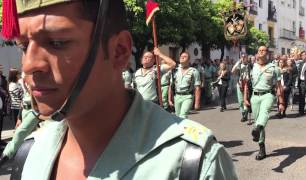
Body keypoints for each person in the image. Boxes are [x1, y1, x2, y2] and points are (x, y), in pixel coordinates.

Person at [5, 0, 237, 179]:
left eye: (57, 43)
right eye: (24, 46)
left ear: (119, 51)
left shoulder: (191, 162)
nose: (29, 64)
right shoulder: (30, 154)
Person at [244, 46, 285, 160]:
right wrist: (245, 98)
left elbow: (278, 86)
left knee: (264, 113)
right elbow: (247, 84)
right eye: (259, 50)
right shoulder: (251, 66)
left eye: (264, 50)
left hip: (268, 95)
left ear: (268, 53)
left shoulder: (274, 68)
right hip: (255, 96)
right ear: (257, 53)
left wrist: (281, 102)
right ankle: (262, 148)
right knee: (258, 123)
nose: (261, 52)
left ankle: (257, 129)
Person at [169, 52, 202, 118]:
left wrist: (197, 102)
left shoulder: (194, 71)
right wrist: (169, 99)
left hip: (188, 96)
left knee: (183, 116)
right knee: (177, 117)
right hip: (177, 96)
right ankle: (183, 128)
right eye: (181, 56)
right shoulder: (175, 71)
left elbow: (197, 88)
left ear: (189, 59)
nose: (182, 57)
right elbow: (171, 85)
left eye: (185, 56)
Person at [231, 53, 251, 122]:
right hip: (240, 83)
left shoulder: (250, 65)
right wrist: (238, 62)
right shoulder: (239, 65)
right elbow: (232, 71)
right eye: (242, 57)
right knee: (240, 101)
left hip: (247, 84)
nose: (243, 58)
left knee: (246, 99)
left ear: (247, 58)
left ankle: (245, 114)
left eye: (245, 57)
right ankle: (243, 113)